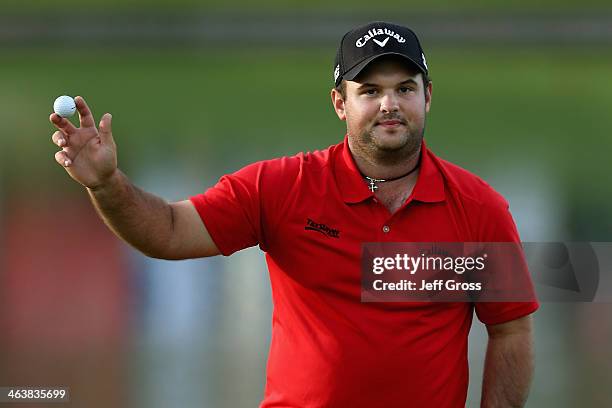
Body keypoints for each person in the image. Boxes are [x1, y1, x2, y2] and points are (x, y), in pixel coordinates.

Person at [50, 21, 538, 408]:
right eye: (369, 90)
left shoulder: (479, 209)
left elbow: (511, 329)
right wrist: (106, 183)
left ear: (427, 96)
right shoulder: (280, 188)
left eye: (404, 88)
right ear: (339, 104)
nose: (389, 104)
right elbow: (170, 232)